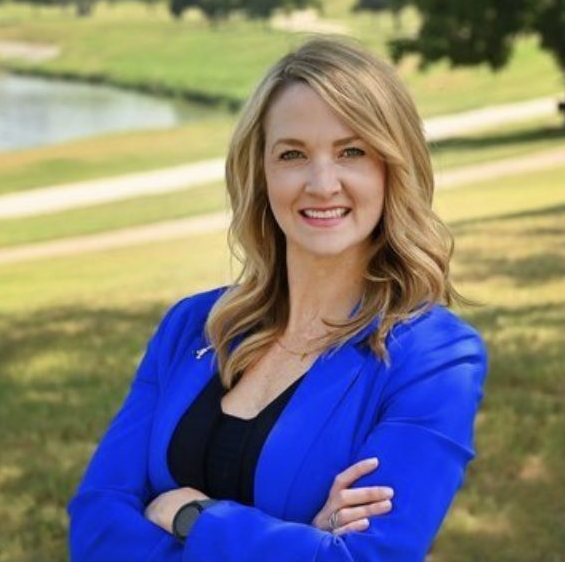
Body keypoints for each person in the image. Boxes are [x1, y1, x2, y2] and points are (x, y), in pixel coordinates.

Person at [67, 35, 488, 561]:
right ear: (261, 173)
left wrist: (189, 516)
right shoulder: (191, 325)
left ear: (391, 168)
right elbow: (94, 526)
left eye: (351, 151)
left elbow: (369, 557)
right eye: (292, 154)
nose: (321, 182)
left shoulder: (434, 357)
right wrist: (302, 539)